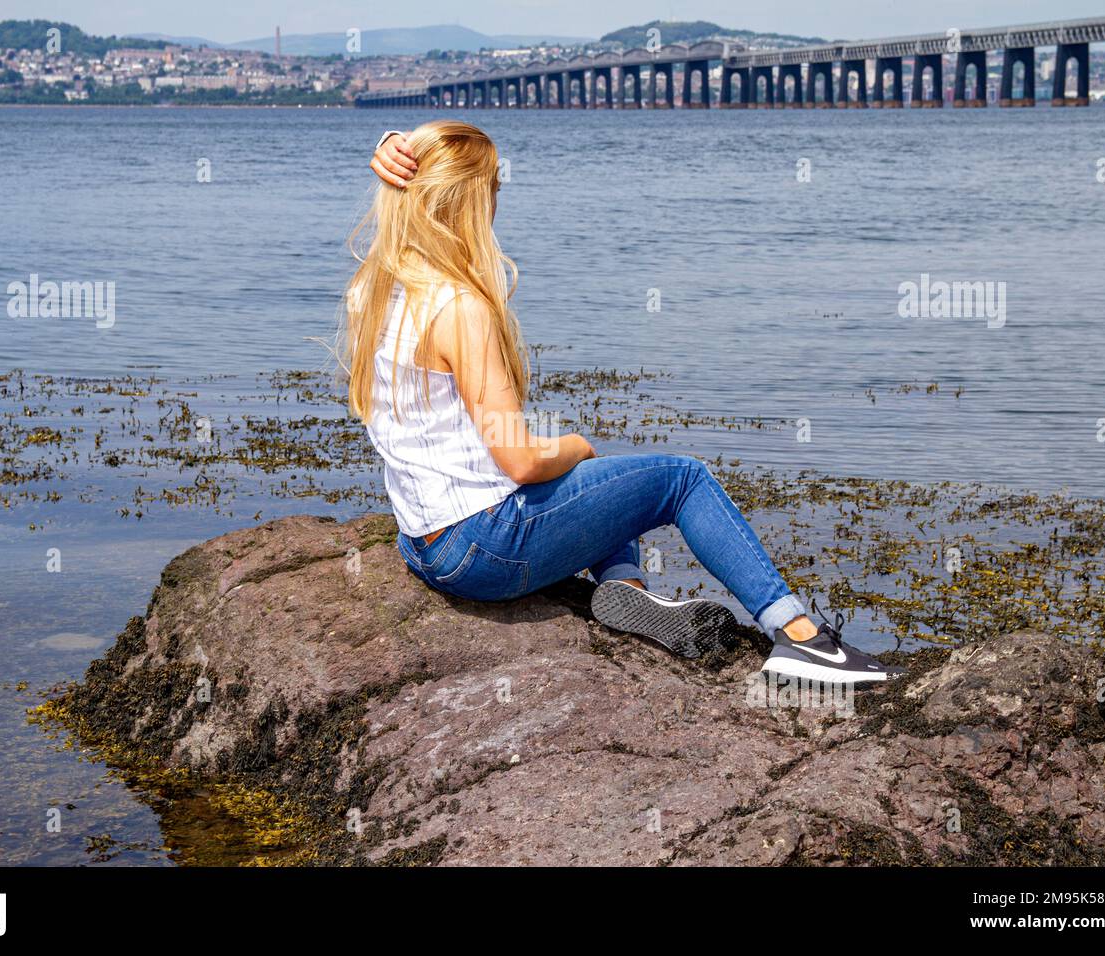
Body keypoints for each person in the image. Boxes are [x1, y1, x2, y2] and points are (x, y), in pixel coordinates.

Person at [347, 121, 901, 683]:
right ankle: (802, 640)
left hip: (424, 545)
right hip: (485, 548)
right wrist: (577, 447)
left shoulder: (374, 291)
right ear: (468, 201)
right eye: (493, 188)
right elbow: (519, 461)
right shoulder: (459, 307)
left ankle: (623, 590)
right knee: (680, 479)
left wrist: (399, 145)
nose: (496, 203)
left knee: (599, 484)